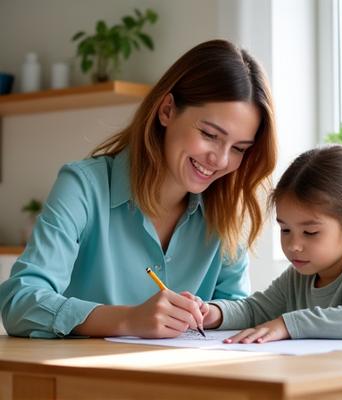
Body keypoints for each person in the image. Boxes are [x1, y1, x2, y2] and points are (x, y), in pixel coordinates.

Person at [0, 39, 277, 338]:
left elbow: (237, 307)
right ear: (167, 110)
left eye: (239, 148)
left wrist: (212, 313)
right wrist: (129, 320)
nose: (221, 160)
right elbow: (19, 302)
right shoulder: (83, 187)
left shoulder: (224, 208)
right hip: (86, 380)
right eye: (210, 134)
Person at [203, 145, 342, 343]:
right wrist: (212, 313)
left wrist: (288, 324)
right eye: (285, 230)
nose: (293, 245)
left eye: (310, 232)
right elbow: (255, 310)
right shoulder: (298, 278)